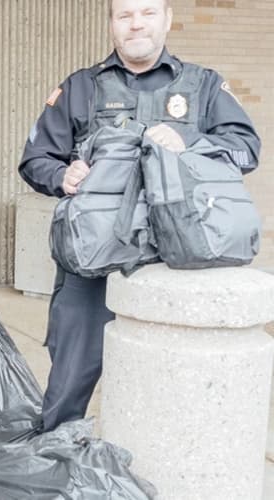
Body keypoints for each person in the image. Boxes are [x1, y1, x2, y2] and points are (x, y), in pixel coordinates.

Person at [18, 0, 261, 432]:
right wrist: (62, 175)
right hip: (94, 258)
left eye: (147, 13)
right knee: (68, 379)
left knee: (173, 387)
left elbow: (245, 150)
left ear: (167, 19)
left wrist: (189, 142)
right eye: (125, 15)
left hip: (181, 256)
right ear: (112, 24)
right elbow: (35, 159)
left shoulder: (203, 86)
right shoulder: (81, 87)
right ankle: (56, 454)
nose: (136, 24)